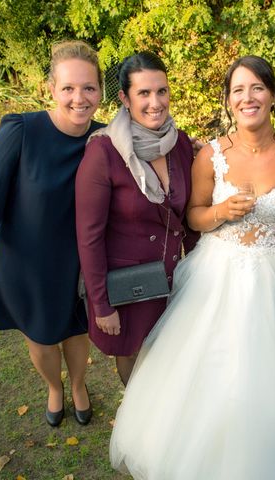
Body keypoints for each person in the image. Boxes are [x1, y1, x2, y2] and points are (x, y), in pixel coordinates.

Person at [108, 55, 275, 480]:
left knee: (274, 374)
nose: (248, 98)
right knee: (209, 367)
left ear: (273, 95)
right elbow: (193, 216)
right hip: (218, 272)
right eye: (238, 90)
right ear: (228, 101)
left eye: (257, 88)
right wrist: (222, 211)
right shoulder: (211, 154)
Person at [0, 40, 105, 427]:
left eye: (88, 87)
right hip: (30, 262)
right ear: (50, 89)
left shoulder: (108, 139)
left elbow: (159, 148)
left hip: (82, 261)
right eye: (68, 88)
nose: (79, 98)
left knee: (78, 330)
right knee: (41, 336)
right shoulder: (22, 131)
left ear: (101, 91)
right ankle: (54, 387)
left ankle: (80, 384)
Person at [75, 52, 199, 386]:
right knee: (131, 357)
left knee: (172, 355)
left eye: (162, 91)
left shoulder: (181, 144)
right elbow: (89, 237)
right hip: (128, 288)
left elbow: (187, 219)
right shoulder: (103, 152)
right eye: (144, 93)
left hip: (174, 279)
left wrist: (202, 272)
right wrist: (101, 304)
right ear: (125, 99)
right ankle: (137, 420)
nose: (155, 102)